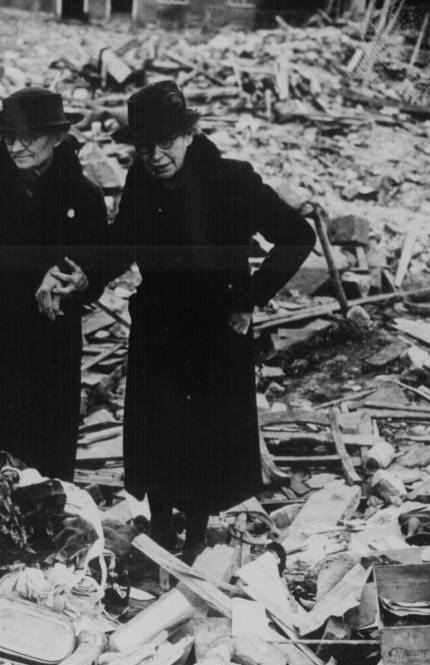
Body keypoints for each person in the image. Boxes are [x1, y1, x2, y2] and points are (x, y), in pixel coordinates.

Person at [99, 81, 316, 556]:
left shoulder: (231, 180)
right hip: (158, 323)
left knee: (200, 437)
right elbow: (122, 246)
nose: (155, 155)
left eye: (166, 142)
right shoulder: (140, 180)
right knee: (156, 430)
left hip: (214, 329)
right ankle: (159, 528)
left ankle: (195, 538)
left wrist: (250, 297)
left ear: (189, 134)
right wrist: (84, 279)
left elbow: (298, 236)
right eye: (144, 146)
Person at [0, 87, 107, 489]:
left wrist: (81, 282)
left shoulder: (85, 198)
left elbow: (96, 274)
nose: (17, 147)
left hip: (49, 347)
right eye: (9, 137)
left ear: (59, 137)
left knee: (41, 461)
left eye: (28, 137)